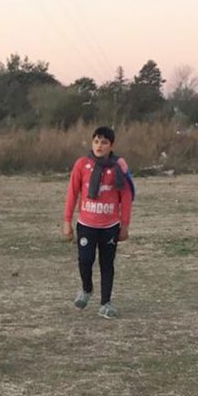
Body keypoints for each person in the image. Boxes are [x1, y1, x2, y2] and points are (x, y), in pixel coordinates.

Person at [62, 126, 134, 319]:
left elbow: (126, 196)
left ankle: (106, 303)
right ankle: (86, 289)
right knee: (85, 260)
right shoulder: (82, 164)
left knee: (107, 264)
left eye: (104, 142)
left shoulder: (119, 166)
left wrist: (125, 224)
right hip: (86, 224)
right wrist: (67, 221)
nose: (99, 146)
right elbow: (72, 192)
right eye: (96, 141)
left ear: (111, 145)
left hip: (109, 227)